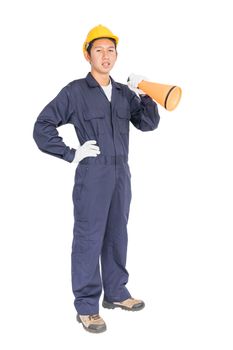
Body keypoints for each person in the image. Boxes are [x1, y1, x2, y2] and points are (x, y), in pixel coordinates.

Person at [33, 24, 160, 333]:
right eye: (99, 50)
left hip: (121, 174)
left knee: (117, 233)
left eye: (111, 50)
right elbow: (42, 126)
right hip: (93, 174)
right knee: (89, 238)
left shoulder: (123, 93)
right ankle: (87, 307)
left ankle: (116, 293)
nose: (106, 56)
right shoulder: (75, 91)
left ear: (117, 55)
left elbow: (148, 124)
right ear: (87, 54)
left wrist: (145, 95)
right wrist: (71, 153)